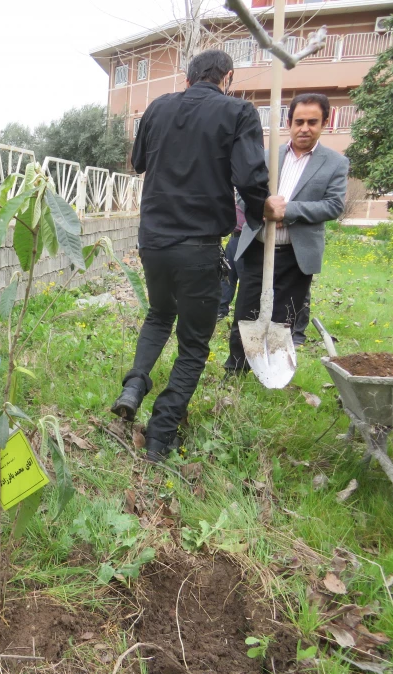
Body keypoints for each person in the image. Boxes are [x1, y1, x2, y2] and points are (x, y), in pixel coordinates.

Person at [110, 49, 282, 463]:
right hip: (198, 245)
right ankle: (160, 433)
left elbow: (137, 163)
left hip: (152, 240)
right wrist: (264, 207)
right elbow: (250, 176)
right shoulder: (238, 112)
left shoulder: (157, 107)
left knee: (158, 314)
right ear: (227, 77)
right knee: (193, 345)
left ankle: (134, 386)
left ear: (189, 76)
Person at [225, 93, 348, 373]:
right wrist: (264, 209)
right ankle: (237, 368)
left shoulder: (335, 163)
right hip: (259, 247)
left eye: (312, 122)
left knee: (283, 316)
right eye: (299, 121)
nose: (305, 127)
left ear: (324, 124)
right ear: (289, 123)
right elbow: (244, 195)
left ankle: (271, 369)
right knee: (246, 311)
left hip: (297, 254)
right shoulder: (267, 157)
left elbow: (333, 205)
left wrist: (287, 210)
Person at [218, 203, 246, 321]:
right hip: (234, 237)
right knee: (227, 275)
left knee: (244, 277)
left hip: (247, 238)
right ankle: (221, 310)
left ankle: (244, 313)